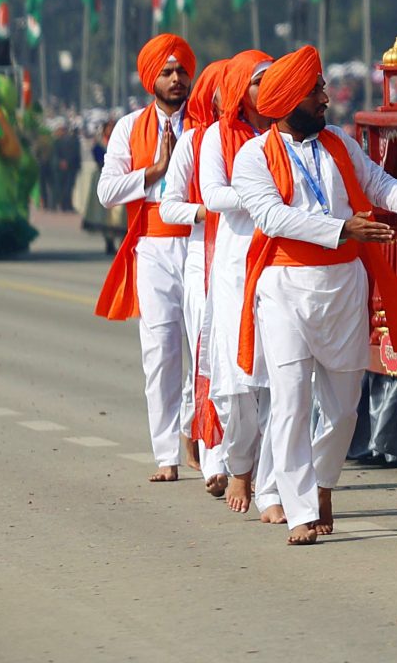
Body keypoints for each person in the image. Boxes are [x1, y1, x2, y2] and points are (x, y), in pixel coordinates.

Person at [233, 45, 397, 545]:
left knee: (342, 410)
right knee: (292, 402)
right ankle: (298, 513)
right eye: (315, 91)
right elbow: (273, 217)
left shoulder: (338, 142)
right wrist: (341, 228)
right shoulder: (252, 158)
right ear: (290, 99)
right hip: (285, 288)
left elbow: (375, 182)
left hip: (343, 287)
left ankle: (322, 482)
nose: (324, 98)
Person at [93, 33, 200, 481]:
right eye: (167, 72)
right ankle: (165, 455)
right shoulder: (129, 128)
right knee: (160, 350)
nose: (176, 79)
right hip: (152, 246)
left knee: (203, 345)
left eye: (181, 72)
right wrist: (153, 171)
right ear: (150, 79)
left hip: (198, 241)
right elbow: (105, 192)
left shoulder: (205, 124)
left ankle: (197, 434)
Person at [196, 51, 281, 521]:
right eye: (257, 82)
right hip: (233, 266)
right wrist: (262, 195)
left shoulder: (282, 133)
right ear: (237, 90)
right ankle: (240, 464)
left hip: (277, 261)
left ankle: (268, 486)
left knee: (276, 378)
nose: (264, 90)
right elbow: (213, 195)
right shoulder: (216, 137)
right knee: (237, 381)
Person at [155, 59, 228, 496]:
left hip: (249, 263)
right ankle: (215, 458)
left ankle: (230, 451)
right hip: (202, 261)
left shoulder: (260, 140)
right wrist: (206, 211)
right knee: (208, 357)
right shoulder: (193, 143)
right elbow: (169, 206)